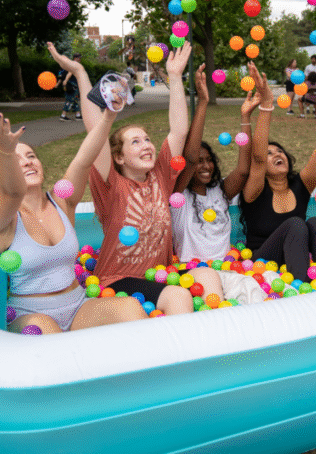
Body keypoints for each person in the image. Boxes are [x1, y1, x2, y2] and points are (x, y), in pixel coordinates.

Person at [47, 41, 222, 313]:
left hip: (162, 274)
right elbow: (95, 131)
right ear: (119, 157)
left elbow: (178, 131)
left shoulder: (161, 176)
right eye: (135, 142)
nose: (147, 145)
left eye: (148, 139)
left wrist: (175, 77)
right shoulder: (110, 184)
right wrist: (80, 73)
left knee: (209, 277)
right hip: (118, 280)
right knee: (177, 297)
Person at [0, 107, 148, 334]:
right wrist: (4, 150)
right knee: (46, 331)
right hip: (32, 315)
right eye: (17, 159)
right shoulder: (1, 218)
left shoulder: (62, 202)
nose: (28, 162)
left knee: (130, 307)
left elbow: (84, 160)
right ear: (1, 176)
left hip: (78, 306)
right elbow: (12, 193)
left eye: (31, 156)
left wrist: (108, 116)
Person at [240, 61, 316, 284]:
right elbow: (256, 159)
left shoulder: (300, 185)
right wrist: (266, 105)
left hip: (292, 263)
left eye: (280, 151)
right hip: (262, 265)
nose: (277, 154)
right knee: (296, 224)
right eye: (270, 153)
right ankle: (302, 293)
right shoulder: (255, 189)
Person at [171, 63, 253, 262]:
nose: (206, 166)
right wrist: (203, 102)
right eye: (200, 162)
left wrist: (245, 117)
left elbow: (243, 171)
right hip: (192, 273)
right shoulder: (178, 196)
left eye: (209, 160)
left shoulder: (220, 191)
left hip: (228, 269)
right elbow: (189, 160)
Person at [56, 52, 82, 121]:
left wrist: (58, 84)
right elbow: (70, 73)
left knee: (75, 100)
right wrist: (66, 80)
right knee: (69, 100)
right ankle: (63, 115)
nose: (80, 59)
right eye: (79, 58)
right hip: (72, 86)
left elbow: (62, 75)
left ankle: (78, 115)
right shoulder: (74, 64)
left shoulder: (68, 65)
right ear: (76, 58)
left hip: (70, 85)